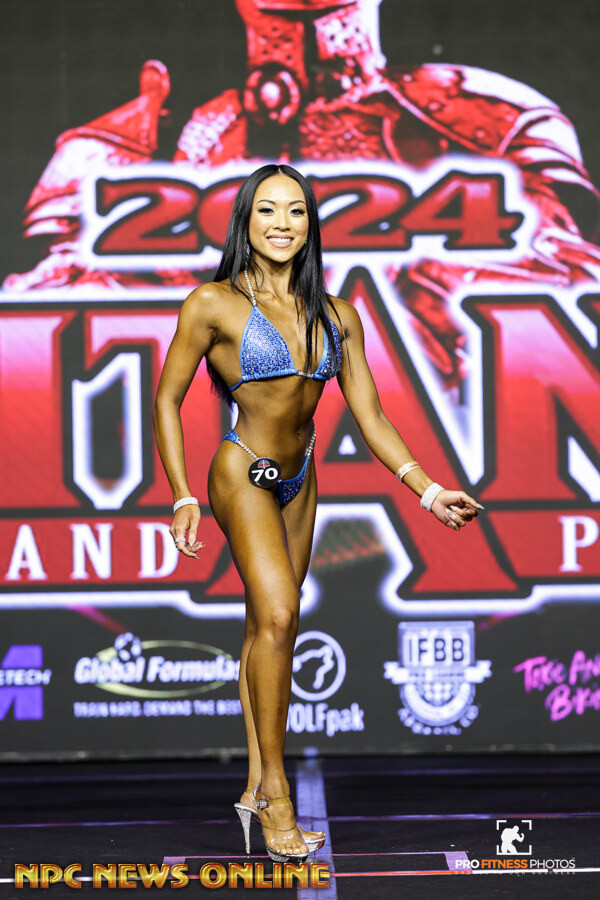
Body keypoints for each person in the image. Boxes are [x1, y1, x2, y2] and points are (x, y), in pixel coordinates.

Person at [152, 163, 482, 862]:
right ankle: (276, 794)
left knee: (265, 628)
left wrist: (428, 491)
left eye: (296, 211)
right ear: (246, 221)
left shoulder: (338, 314)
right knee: (279, 615)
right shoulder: (212, 303)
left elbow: (372, 416)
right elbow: (167, 400)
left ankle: (253, 785)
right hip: (241, 470)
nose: (282, 223)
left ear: (310, 224)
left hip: (300, 479)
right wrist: (182, 494)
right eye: (268, 210)